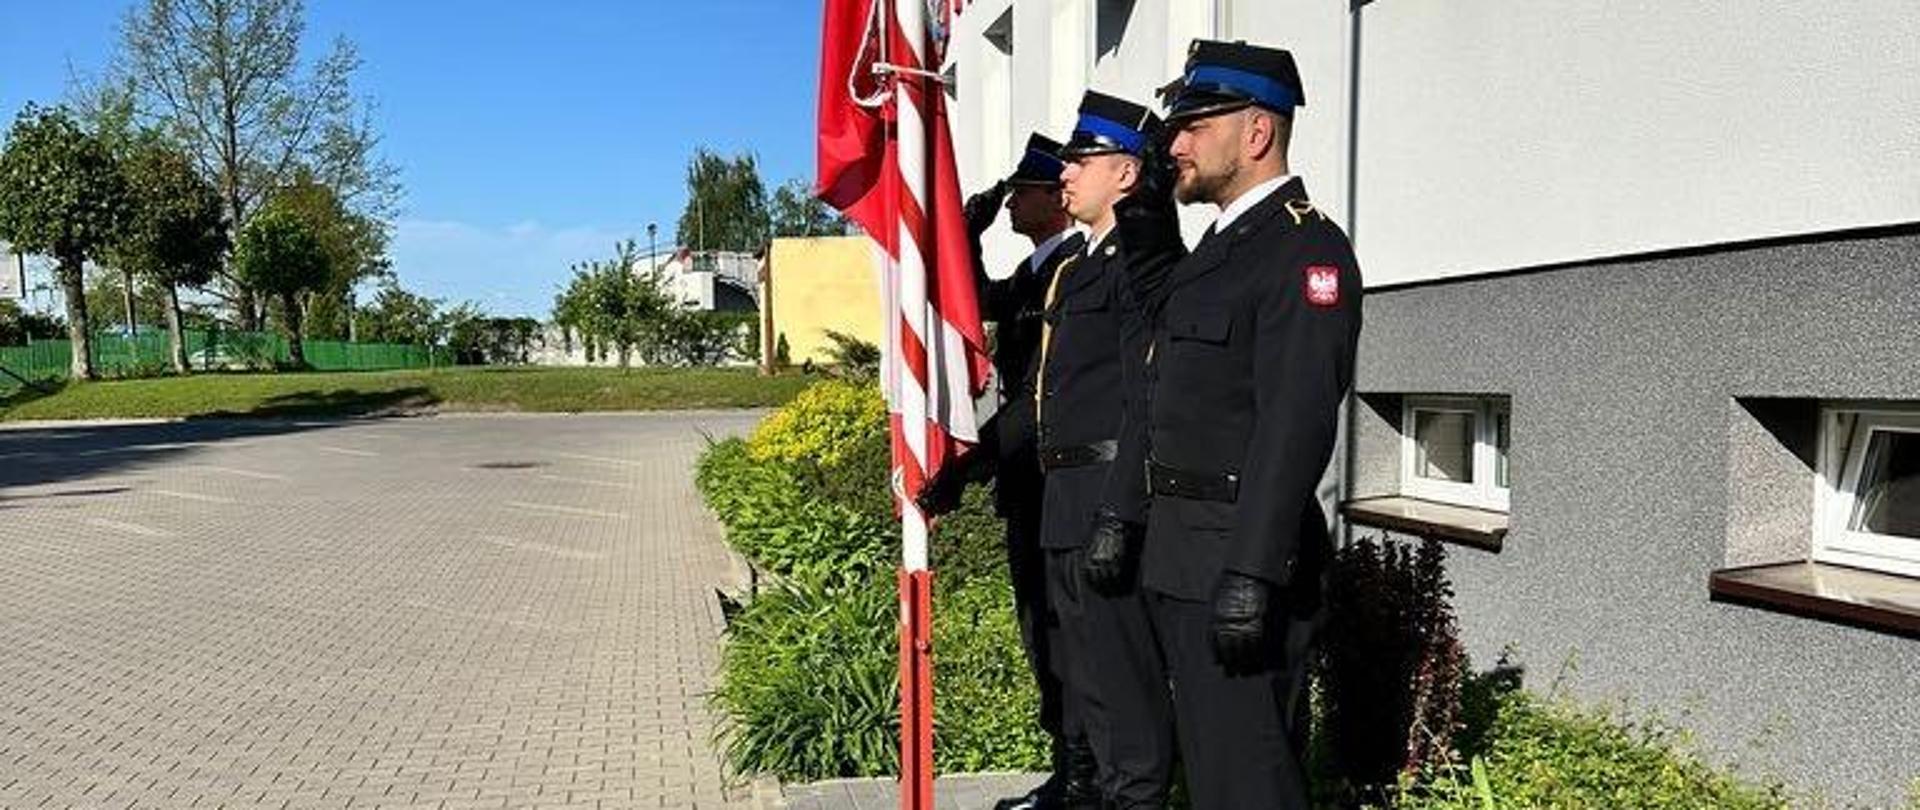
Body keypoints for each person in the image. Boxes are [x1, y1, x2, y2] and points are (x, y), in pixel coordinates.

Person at [1110, 39, 1365, 810]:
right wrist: (1145, 209)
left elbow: (1296, 423)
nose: (1174, 145)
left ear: (1256, 133)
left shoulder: (1305, 250)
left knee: (1249, 781)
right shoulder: (1222, 247)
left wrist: (1252, 572)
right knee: (1215, 773)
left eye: (1194, 127)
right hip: (1183, 554)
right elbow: (1164, 322)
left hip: (1235, 561)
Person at [923, 133, 1097, 810]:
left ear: (1056, 197)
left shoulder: (1076, 268)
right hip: (1030, 482)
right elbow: (980, 302)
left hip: (1059, 482)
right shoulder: (1037, 269)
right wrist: (965, 237)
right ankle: (1068, 771)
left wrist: (969, 464)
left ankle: (1082, 779)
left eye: (1022, 191)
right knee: (1040, 632)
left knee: (1064, 636)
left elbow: (1037, 398)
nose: (1012, 201)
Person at [1035, 90, 1179, 810]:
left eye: (1081, 160)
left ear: (1125, 173)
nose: (1065, 172)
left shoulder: (1139, 262)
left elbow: (1145, 395)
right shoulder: (1080, 264)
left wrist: (1121, 512)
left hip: (1105, 494)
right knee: (1084, 678)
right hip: (1065, 498)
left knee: (1123, 688)